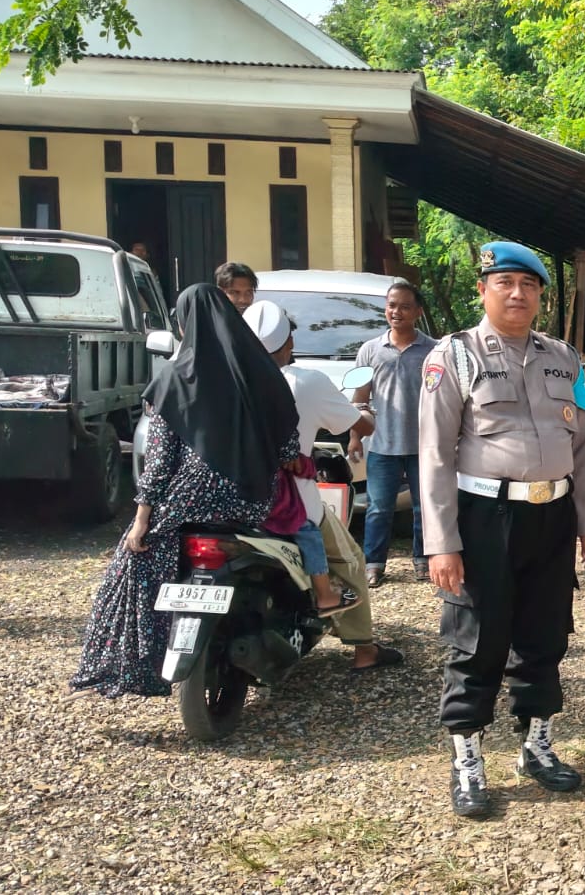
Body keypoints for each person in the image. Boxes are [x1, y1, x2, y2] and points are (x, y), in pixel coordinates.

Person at [418, 241, 585, 815]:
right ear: (484, 290)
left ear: (541, 297)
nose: (518, 294)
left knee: (545, 635)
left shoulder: (564, 359)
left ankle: (536, 745)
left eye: (529, 286)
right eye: (505, 283)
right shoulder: (454, 357)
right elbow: (434, 454)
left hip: (551, 517)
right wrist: (442, 542)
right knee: (478, 639)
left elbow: (583, 443)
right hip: (484, 519)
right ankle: (467, 757)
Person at [70, 285, 300, 698]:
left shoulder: (174, 379)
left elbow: (158, 463)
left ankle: (129, 669)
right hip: (250, 502)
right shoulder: (262, 375)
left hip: (189, 498)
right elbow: (286, 451)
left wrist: (140, 521)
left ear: (184, 323)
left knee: (134, 563)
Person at [242, 301, 405, 670]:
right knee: (349, 560)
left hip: (227, 500)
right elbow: (358, 425)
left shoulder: (225, 380)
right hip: (291, 500)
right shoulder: (306, 382)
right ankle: (364, 650)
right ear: (288, 343)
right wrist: (364, 415)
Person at [350, 281, 438, 586]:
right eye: (391, 305)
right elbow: (359, 398)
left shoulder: (434, 350)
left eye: (403, 306)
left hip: (424, 446)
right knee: (378, 508)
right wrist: (353, 437)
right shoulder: (370, 350)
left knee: (423, 506)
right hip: (382, 445)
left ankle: (422, 559)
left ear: (417, 311)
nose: (395, 312)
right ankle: (374, 563)